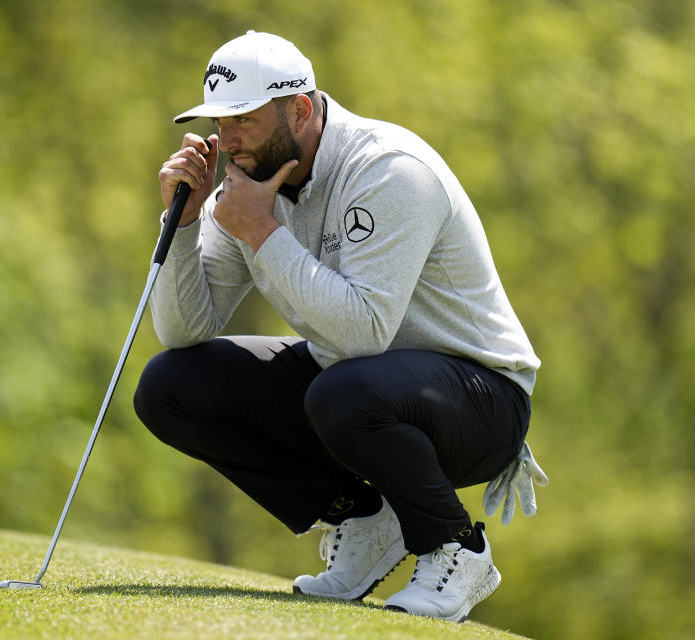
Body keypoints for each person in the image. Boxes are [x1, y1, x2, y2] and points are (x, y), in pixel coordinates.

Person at [133, 31, 543, 623]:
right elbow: (183, 330)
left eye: (244, 119)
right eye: (221, 122)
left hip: (480, 399)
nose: (228, 141)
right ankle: (363, 516)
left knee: (343, 391)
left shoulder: (387, 169)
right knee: (171, 385)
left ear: (299, 108)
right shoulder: (244, 190)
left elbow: (363, 333)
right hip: (357, 387)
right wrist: (187, 224)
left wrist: (261, 232)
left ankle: (456, 548)